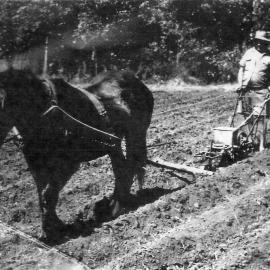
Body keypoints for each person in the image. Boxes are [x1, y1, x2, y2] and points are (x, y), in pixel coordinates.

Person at [237, 30, 270, 151]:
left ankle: (262, 144)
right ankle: (252, 141)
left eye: (262, 42)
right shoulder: (248, 53)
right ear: (255, 42)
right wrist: (239, 84)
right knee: (247, 116)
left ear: (266, 43)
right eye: (258, 42)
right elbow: (241, 69)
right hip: (246, 91)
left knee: (261, 117)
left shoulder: (269, 55)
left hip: (261, 91)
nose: (260, 44)